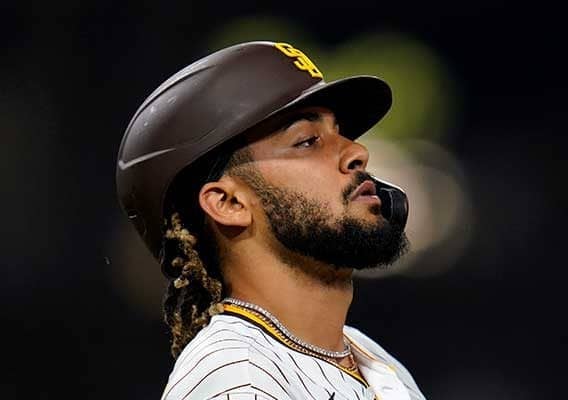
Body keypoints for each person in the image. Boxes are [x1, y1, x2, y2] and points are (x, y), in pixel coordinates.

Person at [115, 40, 425, 400]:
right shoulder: (238, 380)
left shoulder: (371, 358)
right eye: (307, 141)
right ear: (228, 203)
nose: (357, 151)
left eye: (339, 130)